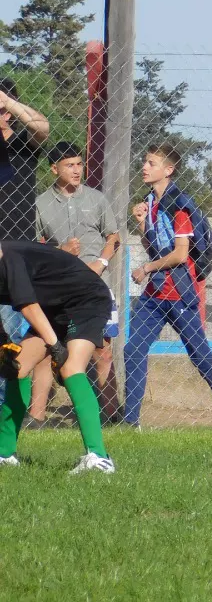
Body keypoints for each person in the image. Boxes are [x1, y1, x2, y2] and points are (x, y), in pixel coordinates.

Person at [122, 144, 212, 426]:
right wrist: (141, 224)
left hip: (178, 292)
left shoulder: (180, 204)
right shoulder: (150, 202)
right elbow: (153, 247)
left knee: (199, 354)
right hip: (155, 292)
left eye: (151, 163)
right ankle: (130, 421)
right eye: (145, 161)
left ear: (168, 170)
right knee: (133, 349)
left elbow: (180, 254)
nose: (145, 167)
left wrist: (147, 268)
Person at [0, 240, 115, 473]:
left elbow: (29, 307)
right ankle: (5, 454)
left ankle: (99, 458)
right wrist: (4, 344)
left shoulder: (9, 260)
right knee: (17, 366)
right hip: (53, 307)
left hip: (86, 299)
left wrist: (56, 347)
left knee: (70, 367)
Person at [31, 142, 123, 423]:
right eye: (69, 165)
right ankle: (35, 417)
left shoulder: (96, 200)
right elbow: (31, 248)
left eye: (79, 164)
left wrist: (100, 263)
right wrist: (59, 253)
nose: (76, 170)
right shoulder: (40, 204)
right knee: (48, 349)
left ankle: (111, 416)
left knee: (103, 351)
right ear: (53, 168)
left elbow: (113, 238)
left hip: (93, 287)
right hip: (57, 287)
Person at [0, 79, 50, 345]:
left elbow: (43, 127)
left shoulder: (22, 144)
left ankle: (10, 387)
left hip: (14, 253)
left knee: (11, 337)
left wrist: (8, 101)